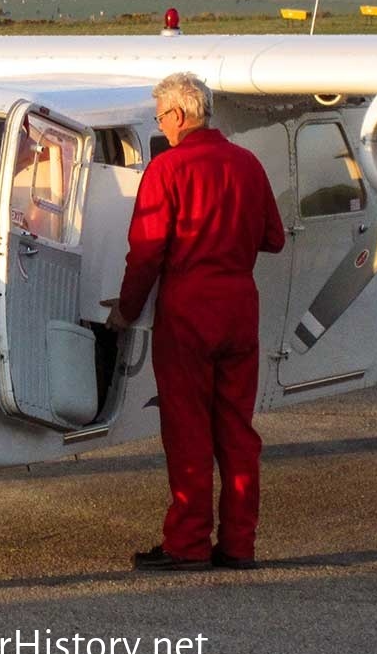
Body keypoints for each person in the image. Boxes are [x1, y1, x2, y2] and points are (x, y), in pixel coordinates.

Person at [104, 72, 285, 571]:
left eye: (161, 117)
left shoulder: (168, 168)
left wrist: (126, 308)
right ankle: (239, 543)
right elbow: (274, 238)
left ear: (178, 116)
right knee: (237, 430)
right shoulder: (248, 164)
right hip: (239, 309)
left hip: (188, 312)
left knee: (187, 429)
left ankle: (187, 542)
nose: (160, 125)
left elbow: (146, 251)